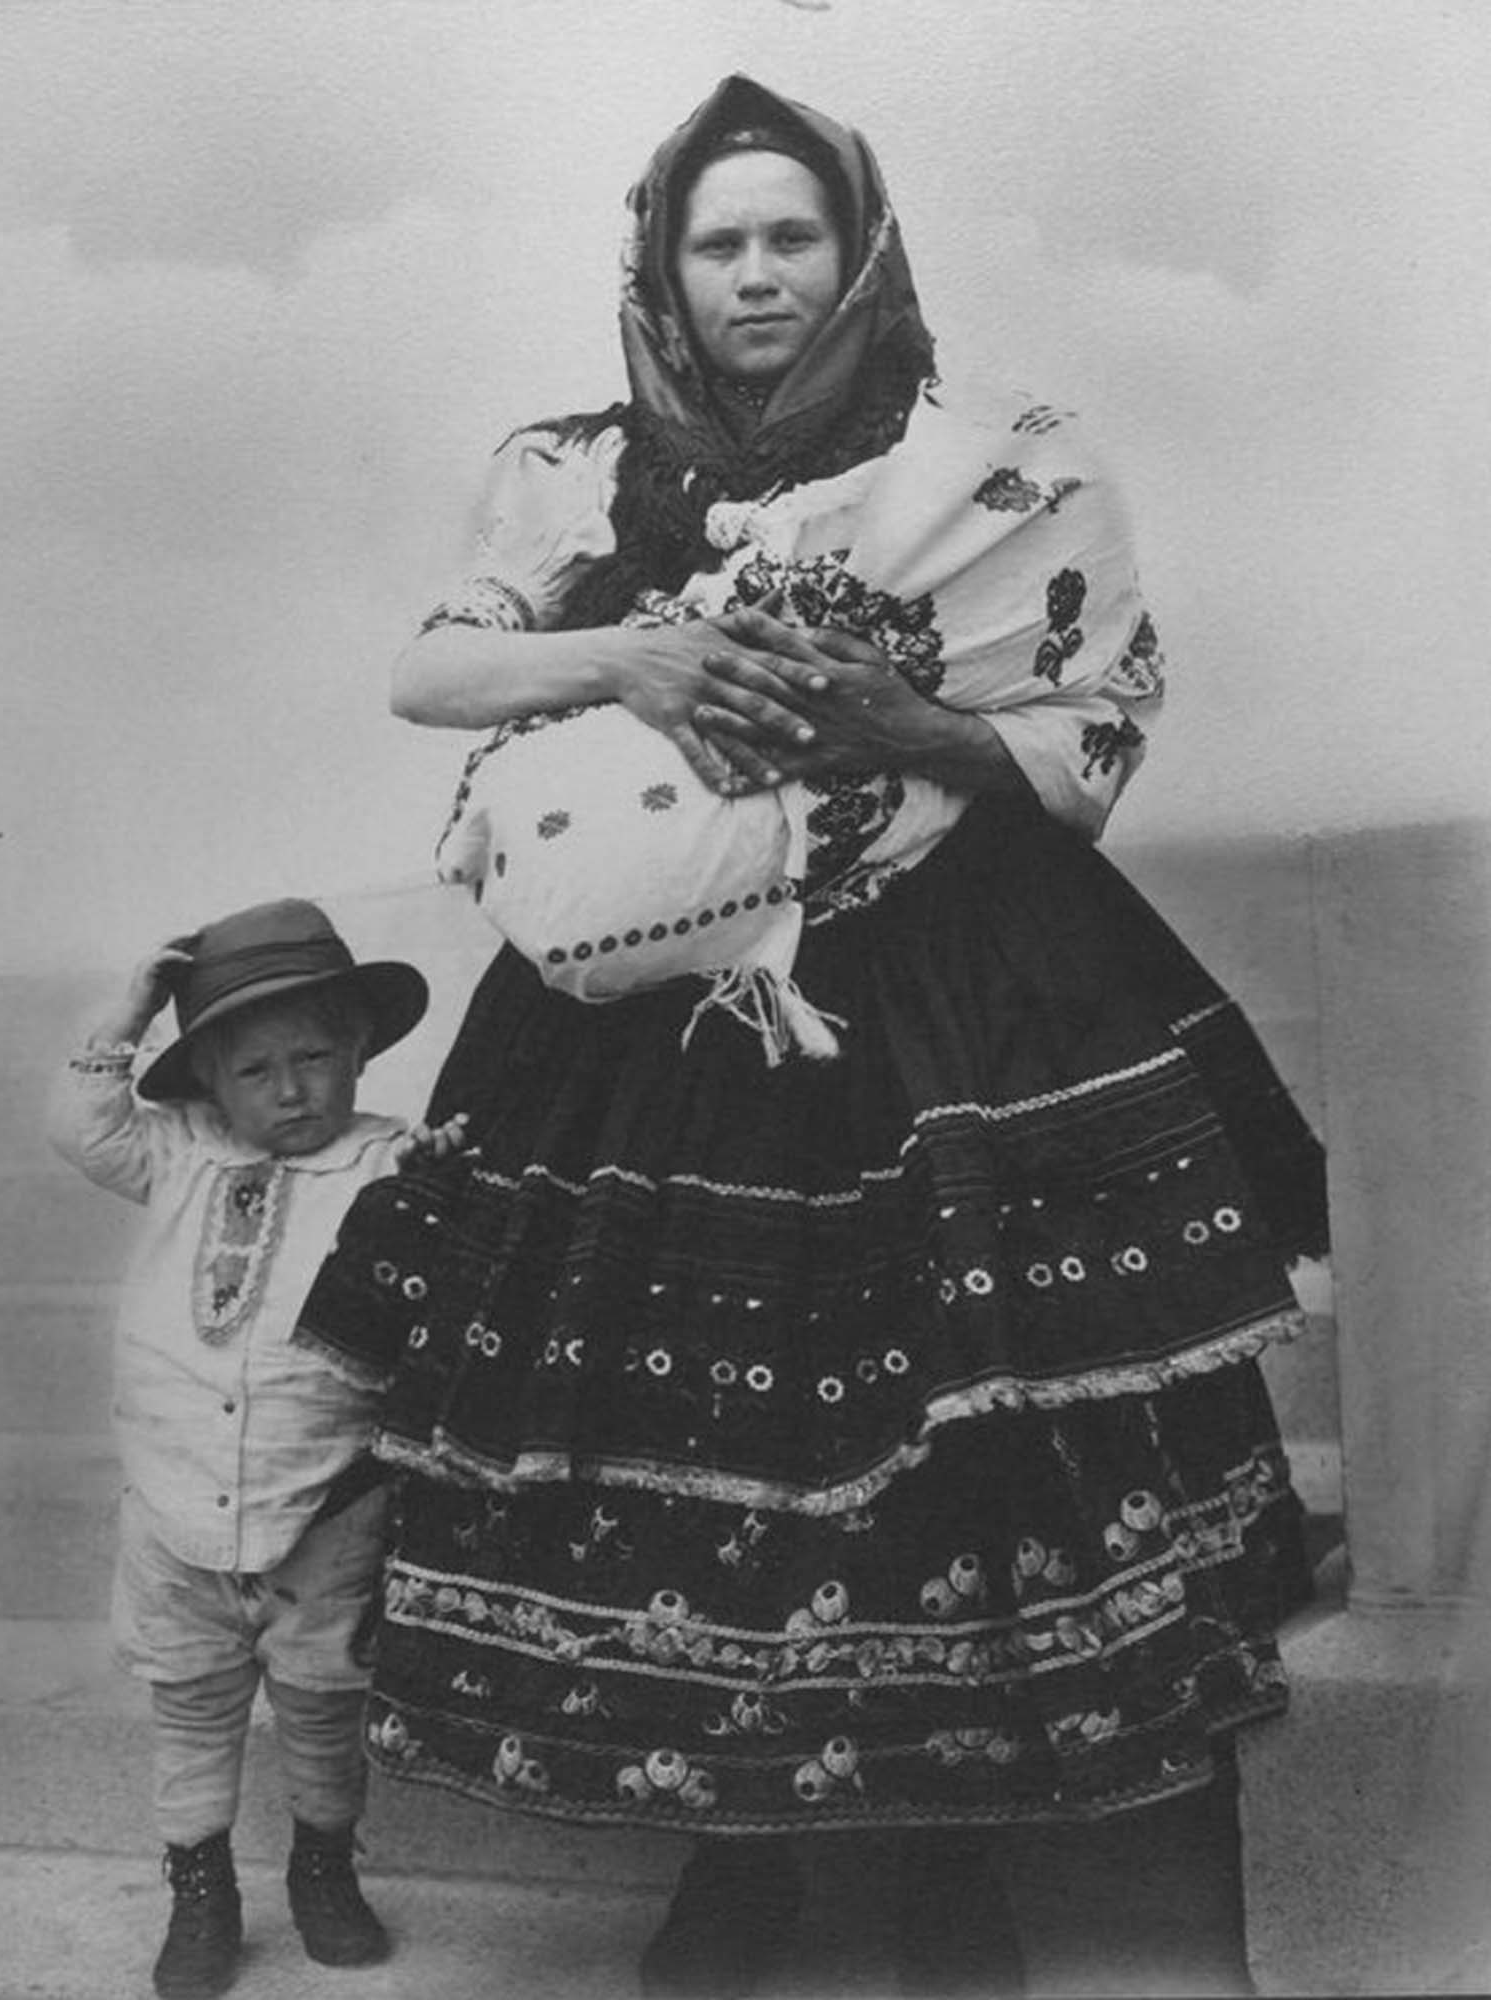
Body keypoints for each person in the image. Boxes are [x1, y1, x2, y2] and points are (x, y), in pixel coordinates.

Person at [296, 76, 1328, 1998]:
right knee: (674, 1441)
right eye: (720, 242)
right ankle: (733, 1859)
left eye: (793, 236)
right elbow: (430, 668)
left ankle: (948, 1863)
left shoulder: (1004, 462)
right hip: (659, 1012)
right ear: (665, 274)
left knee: (958, 1434)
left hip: (957, 994)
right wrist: (632, 655)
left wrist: (896, 721)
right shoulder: (574, 462)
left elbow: (1085, 737)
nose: (758, 273)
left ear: (858, 256)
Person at [47, 898, 466, 2000]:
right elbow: (79, 1125)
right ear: (208, 1083)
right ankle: (201, 1887)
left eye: (318, 1056)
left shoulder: (389, 1162)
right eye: (256, 1070)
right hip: (174, 1506)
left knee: (326, 1707)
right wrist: (129, 1007)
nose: (291, 1089)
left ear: (361, 1049)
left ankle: (323, 1868)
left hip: (324, 1504)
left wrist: (446, 1180)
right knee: (191, 1706)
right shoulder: (174, 1150)